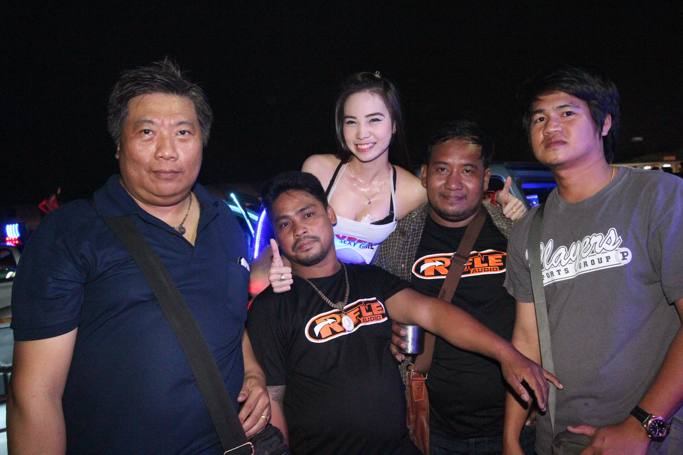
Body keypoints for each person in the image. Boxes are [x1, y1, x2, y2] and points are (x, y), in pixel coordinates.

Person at [8, 59, 270, 453]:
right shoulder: (71, 234)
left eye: (183, 132)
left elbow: (228, 318)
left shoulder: (226, 224)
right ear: (118, 145)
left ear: (202, 141)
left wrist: (253, 374)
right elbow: (34, 396)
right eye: (147, 132)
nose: (167, 151)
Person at [247, 171, 560, 454]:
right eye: (285, 224)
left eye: (308, 214)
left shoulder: (370, 279)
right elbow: (272, 399)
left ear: (330, 215)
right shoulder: (271, 308)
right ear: (277, 236)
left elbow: (434, 314)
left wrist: (507, 354)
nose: (299, 229)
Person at [503, 65, 683, 454]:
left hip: (654, 437)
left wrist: (642, 424)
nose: (550, 125)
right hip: (561, 438)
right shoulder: (528, 231)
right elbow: (528, 342)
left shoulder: (659, 197)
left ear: (605, 123)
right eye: (539, 118)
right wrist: (511, 437)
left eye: (567, 112)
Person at [259, 72, 526, 294]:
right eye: (351, 122)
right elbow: (284, 232)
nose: (362, 133)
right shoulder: (318, 169)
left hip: (368, 303)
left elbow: (455, 204)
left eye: (374, 120)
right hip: (312, 292)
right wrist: (276, 268)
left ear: (394, 124)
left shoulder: (413, 190)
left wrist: (499, 203)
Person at [374, 119, 536, 454]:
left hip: (522, 424)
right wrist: (388, 335)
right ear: (424, 175)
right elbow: (373, 319)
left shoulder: (516, 232)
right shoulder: (396, 245)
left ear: (485, 177)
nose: (453, 183)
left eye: (467, 171)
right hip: (435, 430)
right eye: (442, 169)